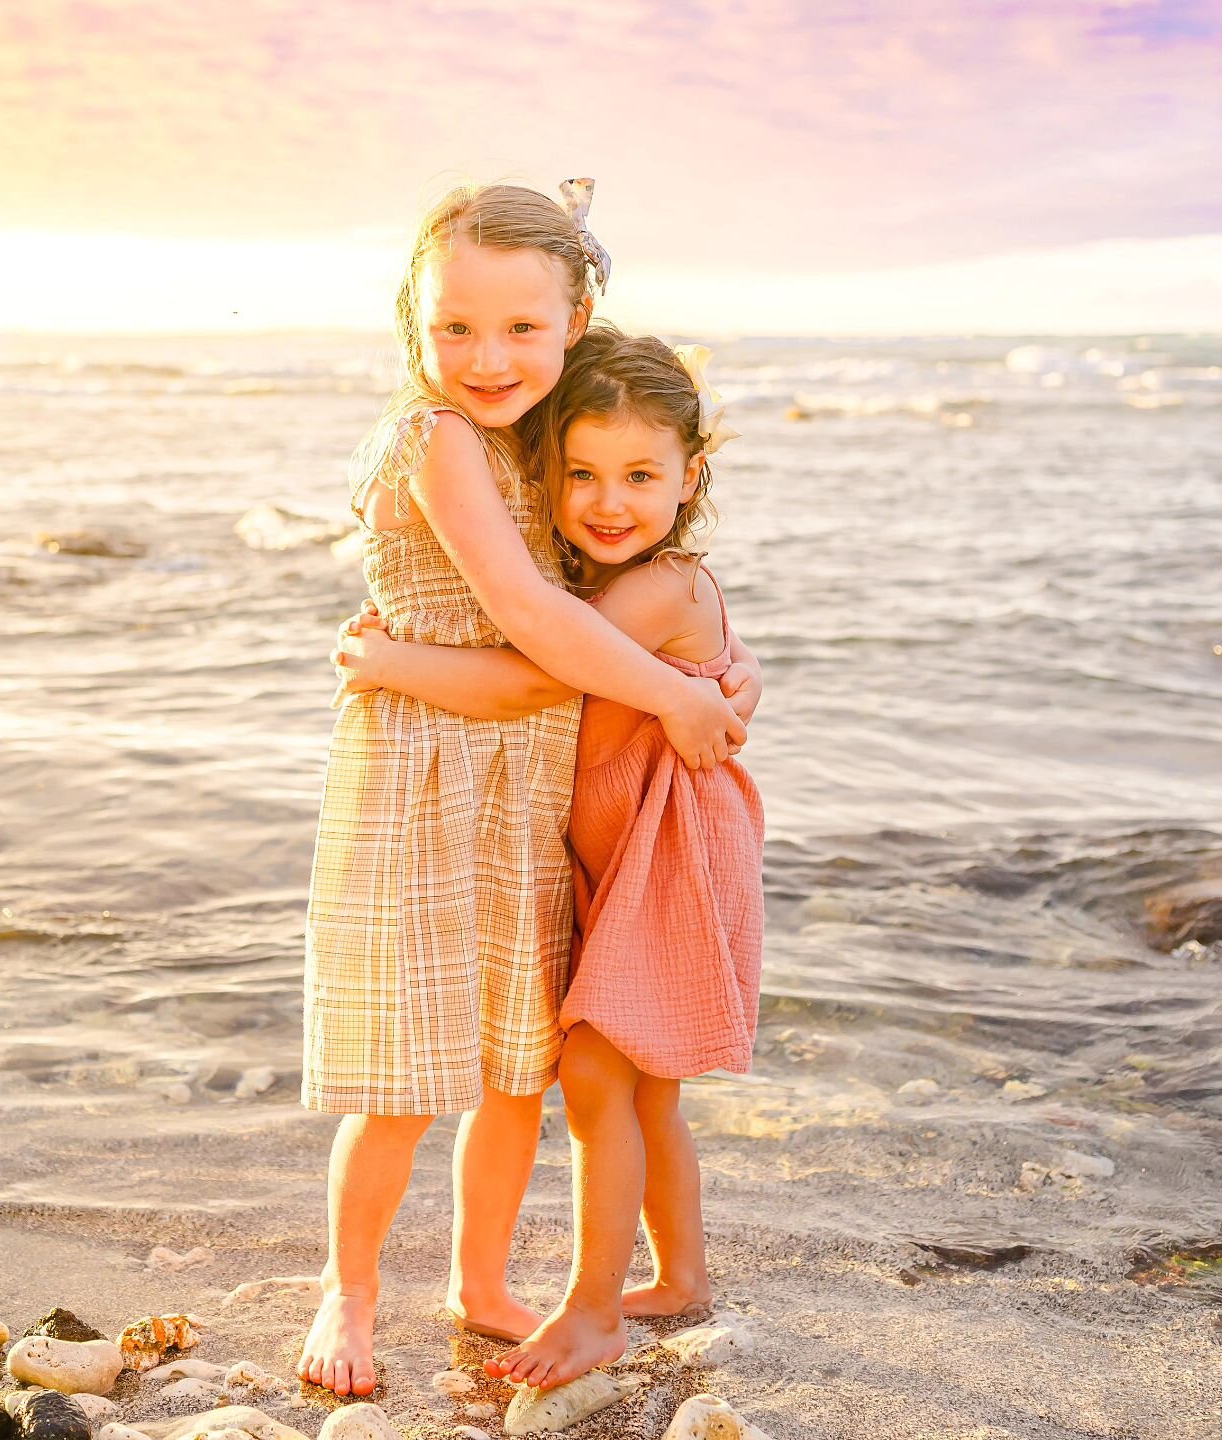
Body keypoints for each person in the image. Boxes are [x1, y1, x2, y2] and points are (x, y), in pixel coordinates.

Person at [297, 182, 750, 1398]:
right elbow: (531, 639)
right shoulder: (438, 438)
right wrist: (676, 695)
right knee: (400, 1073)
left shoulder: (535, 438)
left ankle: (481, 1281)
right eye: (455, 328)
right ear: (410, 321)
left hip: (519, 802)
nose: (486, 357)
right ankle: (349, 1290)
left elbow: (636, 554)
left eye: (520, 329)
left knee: (511, 1073)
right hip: (421, 782)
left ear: (574, 318)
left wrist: (713, 671)